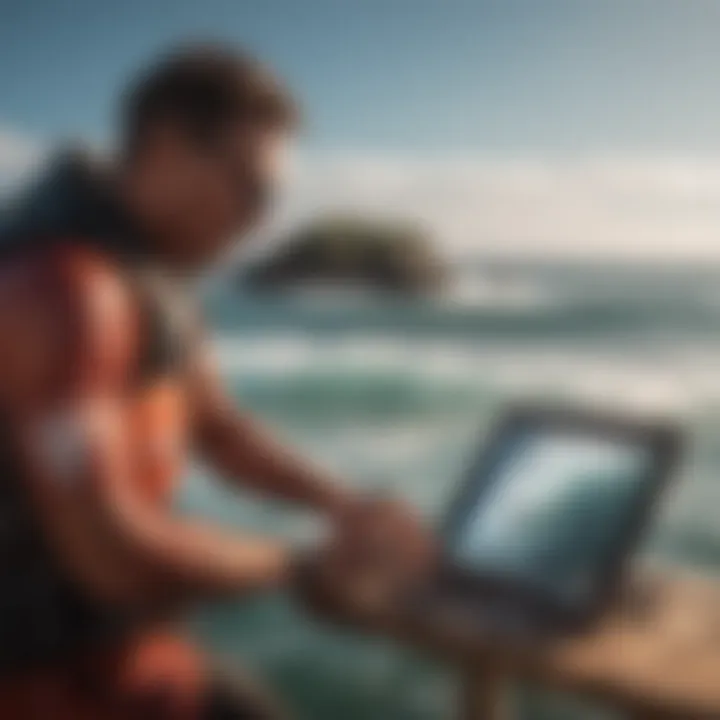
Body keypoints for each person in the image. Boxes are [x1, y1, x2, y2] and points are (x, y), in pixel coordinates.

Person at [0, 44, 430, 719]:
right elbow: (108, 555)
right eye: (252, 187)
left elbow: (220, 430)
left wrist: (345, 506)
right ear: (168, 149)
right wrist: (299, 565)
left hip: (124, 655)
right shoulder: (63, 293)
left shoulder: (150, 272)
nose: (260, 219)